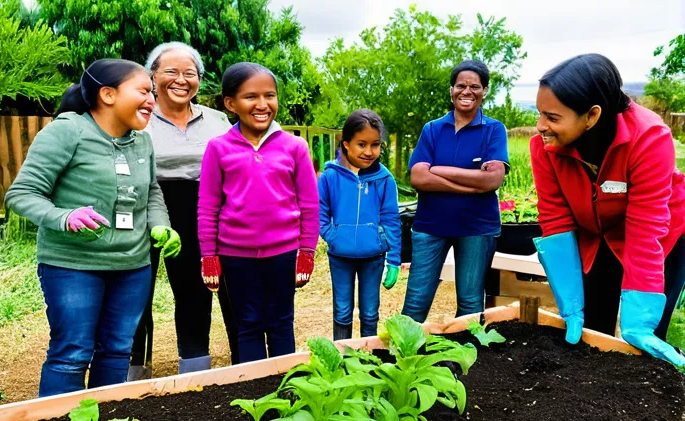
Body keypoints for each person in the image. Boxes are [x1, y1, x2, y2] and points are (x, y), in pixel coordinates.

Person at [5, 59, 181, 397]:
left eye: (152, 94)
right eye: (144, 91)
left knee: (117, 350)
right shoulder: (67, 131)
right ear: (108, 94)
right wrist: (65, 217)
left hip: (132, 266)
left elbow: (152, 191)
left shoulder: (142, 141)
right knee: (72, 353)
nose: (152, 100)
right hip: (72, 265)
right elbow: (22, 193)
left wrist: (161, 226)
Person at [531, 53, 685, 366]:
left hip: (660, 237)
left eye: (552, 117)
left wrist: (639, 321)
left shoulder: (648, 138)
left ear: (592, 115)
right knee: (589, 327)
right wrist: (570, 304)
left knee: (648, 338)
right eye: (539, 113)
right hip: (596, 235)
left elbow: (645, 230)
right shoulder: (544, 148)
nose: (540, 126)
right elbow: (555, 219)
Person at [198, 62, 319, 363]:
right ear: (230, 104)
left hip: (283, 253)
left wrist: (307, 251)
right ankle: (253, 398)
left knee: (280, 323)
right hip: (236, 256)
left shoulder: (295, 147)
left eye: (270, 95)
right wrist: (209, 256)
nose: (262, 104)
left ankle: (286, 393)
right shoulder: (218, 148)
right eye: (251, 97)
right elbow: (208, 206)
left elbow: (309, 204)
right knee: (248, 325)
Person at [128, 42, 236, 380]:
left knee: (194, 289)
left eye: (190, 73)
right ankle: (132, 370)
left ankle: (194, 367)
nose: (181, 80)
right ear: (153, 76)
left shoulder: (218, 121)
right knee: (134, 291)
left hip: (200, 208)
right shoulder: (136, 118)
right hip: (143, 205)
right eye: (171, 72)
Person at [402, 60, 508, 322]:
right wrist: (470, 185)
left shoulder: (493, 130)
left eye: (475, 86)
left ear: (484, 91)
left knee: (470, 301)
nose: (467, 91)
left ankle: (464, 361)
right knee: (416, 301)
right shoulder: (433, 129)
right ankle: (402, 356)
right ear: (451, 90)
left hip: (477, 228)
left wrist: (438, 169)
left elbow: (492, 180)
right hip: (431, 225)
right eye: (461, 85)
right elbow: (418, 177)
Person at [318, 109, 401, 339]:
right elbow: (320, 213)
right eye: (361, 144)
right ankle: (342, 358)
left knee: (370, 313)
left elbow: (391, 219)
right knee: (342, 311)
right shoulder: (329, 177)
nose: (368, 151)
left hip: (373, 257)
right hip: (340, 256)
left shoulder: (384, 180)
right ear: (346, 144)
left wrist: (393, 259)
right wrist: (332, 236)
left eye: (375, 144)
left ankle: (367, 361)